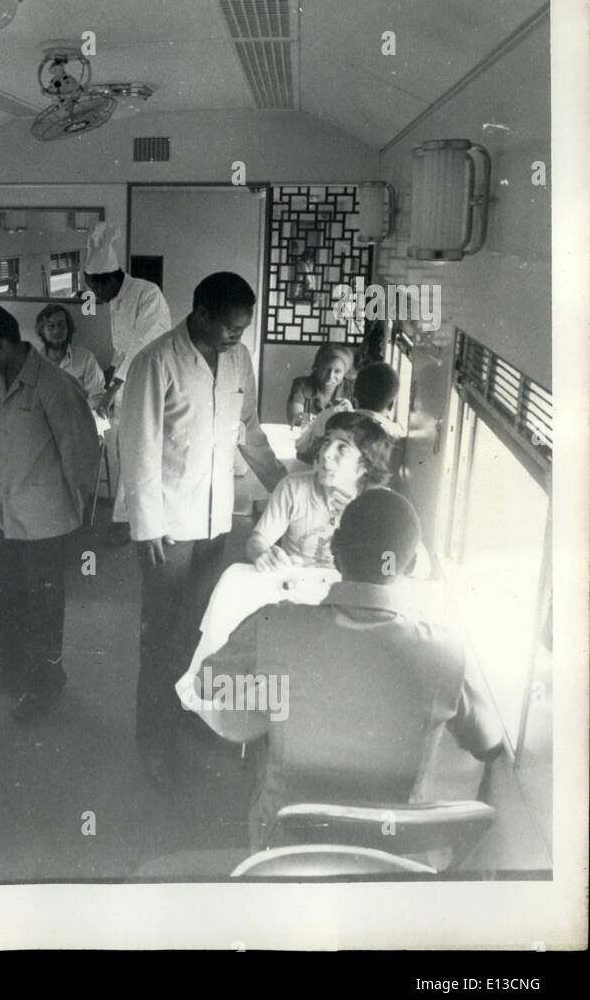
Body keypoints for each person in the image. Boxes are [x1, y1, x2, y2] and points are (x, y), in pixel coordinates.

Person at [196, 488, 504, 851]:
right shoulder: (445, 650)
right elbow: (489, 743)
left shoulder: (274, 624)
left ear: (334, 549)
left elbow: (207, 684)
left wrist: (278, 699)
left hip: (285, 847)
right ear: (406, 566)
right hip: (389, 855)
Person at [120, 271, 286, 786]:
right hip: (169, 527)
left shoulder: (238, 359)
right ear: (203, 313)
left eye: (244, 329)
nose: (238, 337)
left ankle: (191, 717)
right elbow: (139, 448)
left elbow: (248, 430)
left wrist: (285, 488)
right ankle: (153, 740)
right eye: (232, 328)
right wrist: (145, 528)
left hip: (217, 519)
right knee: (163, 636)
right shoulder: (156, 362)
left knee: (206, 630)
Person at [0, 304, 99, 722]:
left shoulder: (55, 387)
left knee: (41, 607)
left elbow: (83, 456)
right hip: (4, 512)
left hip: (46, 522)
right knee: (1, 595)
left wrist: (77, 525)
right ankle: (8, 663)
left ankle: (45, 682)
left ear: (3, 344)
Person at [81, 221, 172, 545]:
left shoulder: (147, 294)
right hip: (126, 385)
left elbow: (142, 346)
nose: (98, 298)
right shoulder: (116, 300)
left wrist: (112, 388)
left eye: (97, 289)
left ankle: (140, 520)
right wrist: (109, 373)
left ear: (109, 279)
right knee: (124, 451)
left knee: (143, 452)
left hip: (150, 383)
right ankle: (127, 517)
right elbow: (122, 349)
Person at [247, 411, 395, 570]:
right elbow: (257, 541)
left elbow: (415, 566)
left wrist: (368, 526)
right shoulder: (293, 487)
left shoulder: (381, 503)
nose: (327, 453)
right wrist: (262, 554)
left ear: (365, 465)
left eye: (342, 448)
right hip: (296, 586)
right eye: (327, 442)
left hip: (349, 590)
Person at [295, 360, 406, 463]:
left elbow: (301, 448)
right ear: (391, 405)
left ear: (354, 397)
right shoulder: (396, 435)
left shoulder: (330, 416)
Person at [35, 304, 107, 410]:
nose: (56, 331)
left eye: (61, 325)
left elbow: (97, 396)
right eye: (51, 326)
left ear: (69, 328)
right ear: (42, 331)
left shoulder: (86, 358)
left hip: (79, 420)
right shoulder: (33, 362)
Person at [286, 343, 354, 426]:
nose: (330, 376)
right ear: (317, 367)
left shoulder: (350, 388)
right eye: (326, 369)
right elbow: (294, 419)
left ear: (344, 374)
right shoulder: (302, 385)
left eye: (337, 371)